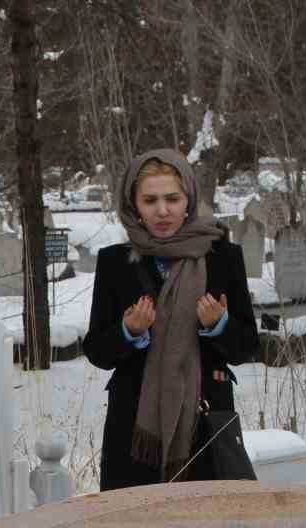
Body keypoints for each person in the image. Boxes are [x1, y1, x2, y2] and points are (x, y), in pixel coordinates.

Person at [84, 148, 259, 490]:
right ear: (133, 204)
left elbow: (247, 346)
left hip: (205, 419)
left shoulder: (223, 257)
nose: (162, 211)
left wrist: (218, 324)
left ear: (188, 199)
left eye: (172, 199)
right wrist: (128, 331)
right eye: (150, 200)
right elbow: (97, 351)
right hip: (135, 427)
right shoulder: (115, 262)